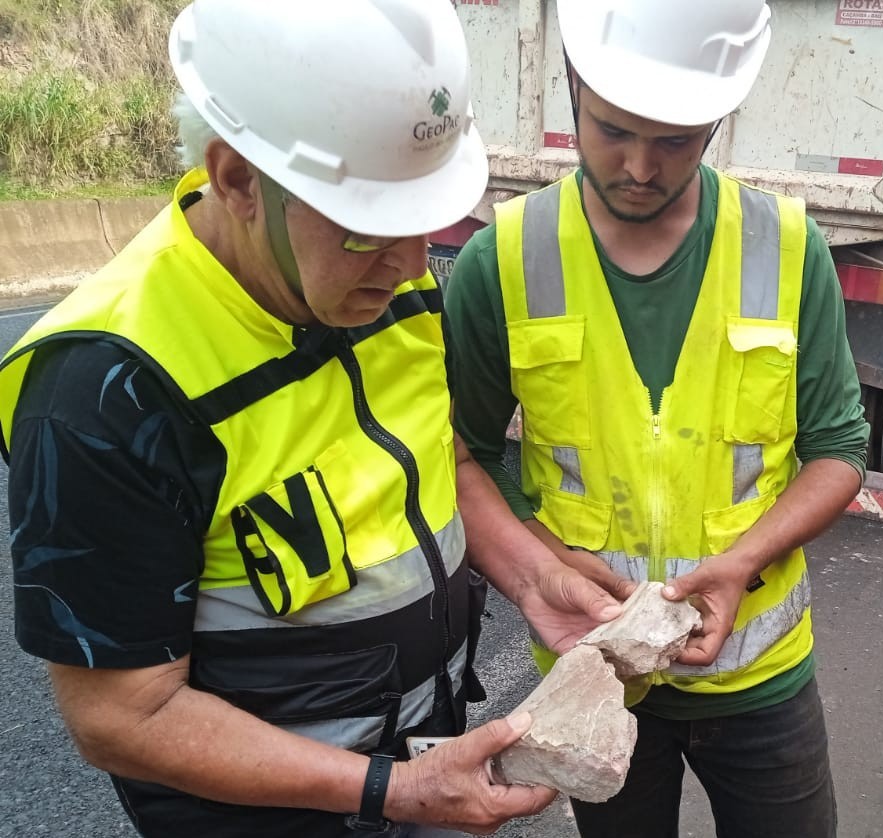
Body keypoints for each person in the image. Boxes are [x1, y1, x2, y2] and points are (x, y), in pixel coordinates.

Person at [0, 2, 632, 836]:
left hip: (423, 764)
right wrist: (389, 791)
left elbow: (437, 456)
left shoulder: (386, 284)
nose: (412, 263)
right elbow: (122, 716)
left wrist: (531, 575)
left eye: (423, 220)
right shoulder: (107, 390)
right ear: (235, 180)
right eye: (369, 227)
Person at [445, 0, 872, 836]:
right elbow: (462, 456)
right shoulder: (502, 258)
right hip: (594, 673)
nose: (640, 166)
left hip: (763, 680)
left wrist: (743, 560)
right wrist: (545, 566)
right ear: (573, 82)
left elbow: (839, 448)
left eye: (674, 140)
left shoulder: (787, 247)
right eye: (612, 131)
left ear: (718, 117)